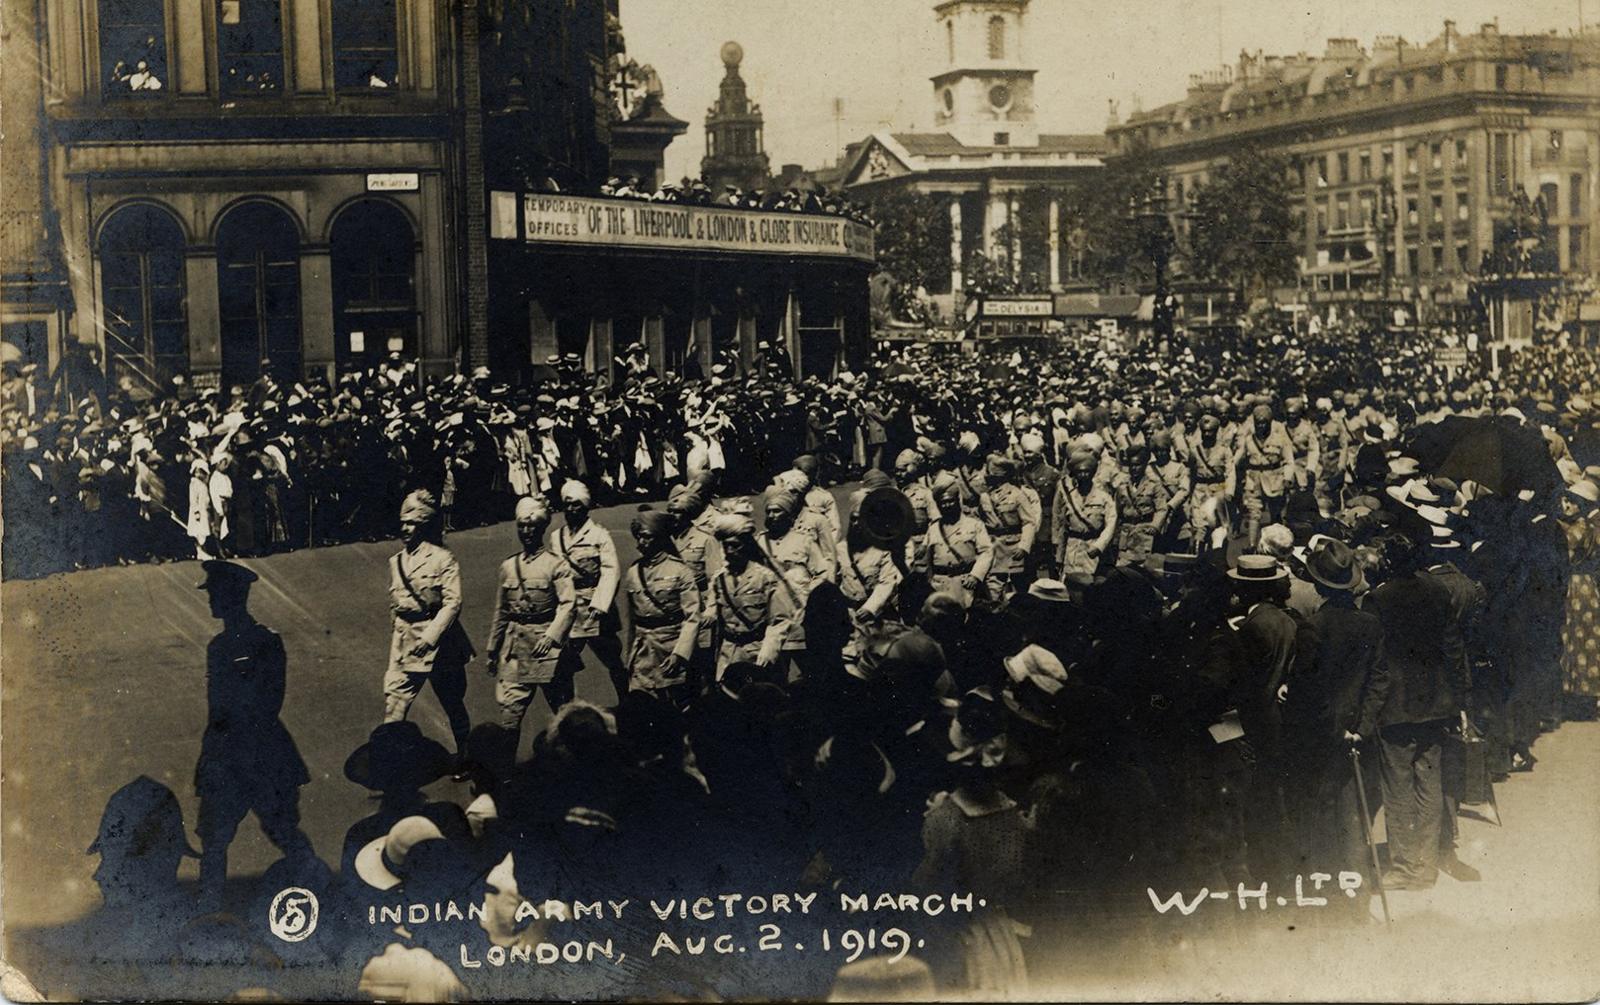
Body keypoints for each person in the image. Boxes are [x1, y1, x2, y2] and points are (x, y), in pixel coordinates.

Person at [193, 559, 313, 905]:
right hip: (236, 754)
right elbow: (215, 708)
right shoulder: (216, 648)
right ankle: (209, 907)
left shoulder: (265, 643)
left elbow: (269, 701)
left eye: (216, 593)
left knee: (282, 832)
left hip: (257, 754)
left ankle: (315, 889)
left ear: (234, 596)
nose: (211, 599)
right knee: (215, 841)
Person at [1282, 538, 1388, 919]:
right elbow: (1379, 681)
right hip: (1360, 736)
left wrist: (1334, 729)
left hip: (1321, 739)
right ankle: (1356, 901)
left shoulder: (1312, 629)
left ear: (1319, 586)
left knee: (1319, 817)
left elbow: (1309, 693)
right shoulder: (1370, 625)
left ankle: (1324, 902)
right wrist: (1362, 726)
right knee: (1355, 819)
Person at [1363, 531, 1470, 890]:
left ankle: (1405, 866)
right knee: (1430, 782)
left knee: (1398, 786)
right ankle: (1425, 865)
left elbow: (1373, 660)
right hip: (1435, 703)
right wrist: (1459, 699)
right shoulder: (1438, 593)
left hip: (1395, 706)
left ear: (1388, 562)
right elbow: (1454, 649)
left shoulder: (1377, 599)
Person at [383, 489, 473, 760]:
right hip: (405, 643)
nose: (405, 528)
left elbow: (453, 603)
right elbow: (395, 605)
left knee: (451, 702)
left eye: (411, 523)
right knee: (394, 705)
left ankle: (465, 755)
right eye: (402, 523)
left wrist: (430, 637)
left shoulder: (442, 558)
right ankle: (391, 765)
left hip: (438, 644)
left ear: (423, 525)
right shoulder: (395, 561)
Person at [484, 497, 577, 733]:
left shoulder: (556, 565)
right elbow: (501, 611)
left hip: (547, 649)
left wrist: (551, 637)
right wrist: (493, 649)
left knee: (564, 714)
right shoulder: (508, 566)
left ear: (542, 528)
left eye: (532, 527)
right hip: (515, 648)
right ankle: (506, 768)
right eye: (521, 527)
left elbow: (568, 605)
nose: (526, 532)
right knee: (510, 715)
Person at [551, 479, 626, 699]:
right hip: (570, 607)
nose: (571, 509)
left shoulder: (599, 535)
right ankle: (568, 706)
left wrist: (601, 604)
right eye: (567, 504)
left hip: (595, 608)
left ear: (586, 507)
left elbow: (611, 570)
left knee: (612, 658)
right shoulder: (557, 537)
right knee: (564, 661)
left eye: (576, 505)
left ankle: (627, 700)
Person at [620, 509, 702, 707]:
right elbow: (629, 619)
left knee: (678, 704)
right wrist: (627, 655)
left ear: (660, 538)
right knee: (643, 703)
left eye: (647, 537)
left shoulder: (680, 571)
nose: (641, 543)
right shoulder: (633, 572)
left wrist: (680, 654)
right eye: (639, 537)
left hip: (669, 648)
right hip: (642, 650)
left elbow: (692, 617)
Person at [704, 513, 794, 677]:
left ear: (746, 545)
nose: (730, 551)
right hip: (728, 654)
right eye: (726, 546)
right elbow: (712, 612)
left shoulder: (765, 577)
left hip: (757, 652)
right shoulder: (720, 580)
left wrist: (769, 650)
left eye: (735, 545)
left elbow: (780, 620)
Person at [922, 473, 994, 609]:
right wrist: (930, 581)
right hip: (940, 585)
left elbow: (987, 552)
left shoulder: (974, 524)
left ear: (958, 500)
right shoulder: (933, 528)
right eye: (943, 503)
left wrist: (975, 576)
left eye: (951, 501)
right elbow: (927, 559)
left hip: (965, 583)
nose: (947, 505)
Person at [977, 454, 1040, 598]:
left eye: (991, 474)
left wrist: (1024, 546)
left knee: (1020, 589)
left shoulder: (1017, 494)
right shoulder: (985, 496)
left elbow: (1029, 522)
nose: (987, 476)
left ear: (1001, 475)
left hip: (1014, 548)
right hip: (994, 548)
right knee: (993, 588)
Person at [1235, 403, 1297, 549]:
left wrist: (1288, 477)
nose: (1261, 426)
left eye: (1264, 423)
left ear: (1270, 423)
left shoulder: (1280, 438)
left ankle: (1277, 545)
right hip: (1254, 479)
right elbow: (1238, 459)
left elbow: (1289, 461)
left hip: (1274, 479)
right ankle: (1251, 545)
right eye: (1258, 423)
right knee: (1253, 512)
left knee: (1276, 514)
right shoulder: (1248, 439)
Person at [1052, 444, 1115, 578]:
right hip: (1072, 550)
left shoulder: (1103, 497)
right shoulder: (1070, 497)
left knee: (1092, 587)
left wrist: (1099, 546)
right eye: (1079, 472)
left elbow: (1111, 524)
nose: (1083, 475)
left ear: (1092, 473)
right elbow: (1063, 527)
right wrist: (1059, 556)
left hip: (1093, 549)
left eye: (1087, 471)